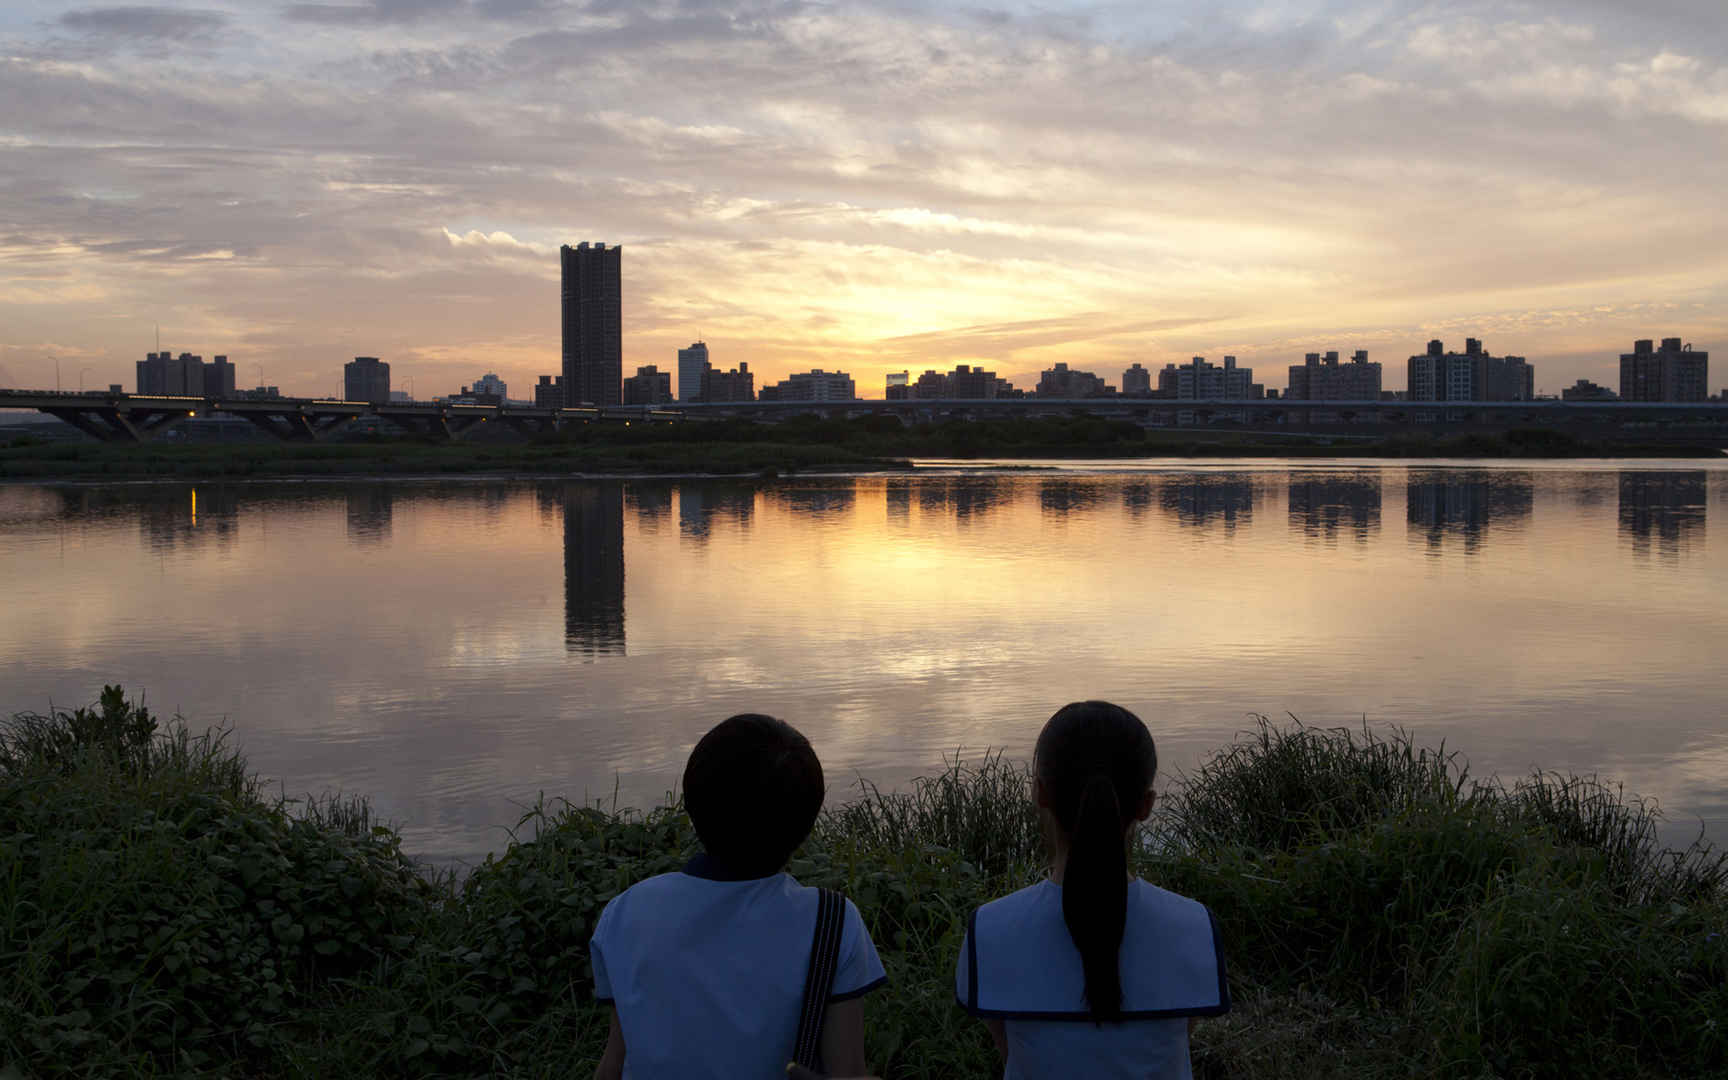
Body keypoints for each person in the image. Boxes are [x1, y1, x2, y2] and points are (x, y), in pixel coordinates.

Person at [590, 713, 887, 1080]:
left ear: (691, 806)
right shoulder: (832, 922)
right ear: (806, 827)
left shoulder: (626, 912)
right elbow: (847, 1072)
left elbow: (616, 1060)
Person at [955, 701, 1230, 1079]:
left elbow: (1012, 1053)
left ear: (1040, 794)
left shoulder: (989, 930)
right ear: (1146, 805)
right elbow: (1178, 1038)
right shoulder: (1195, 927)